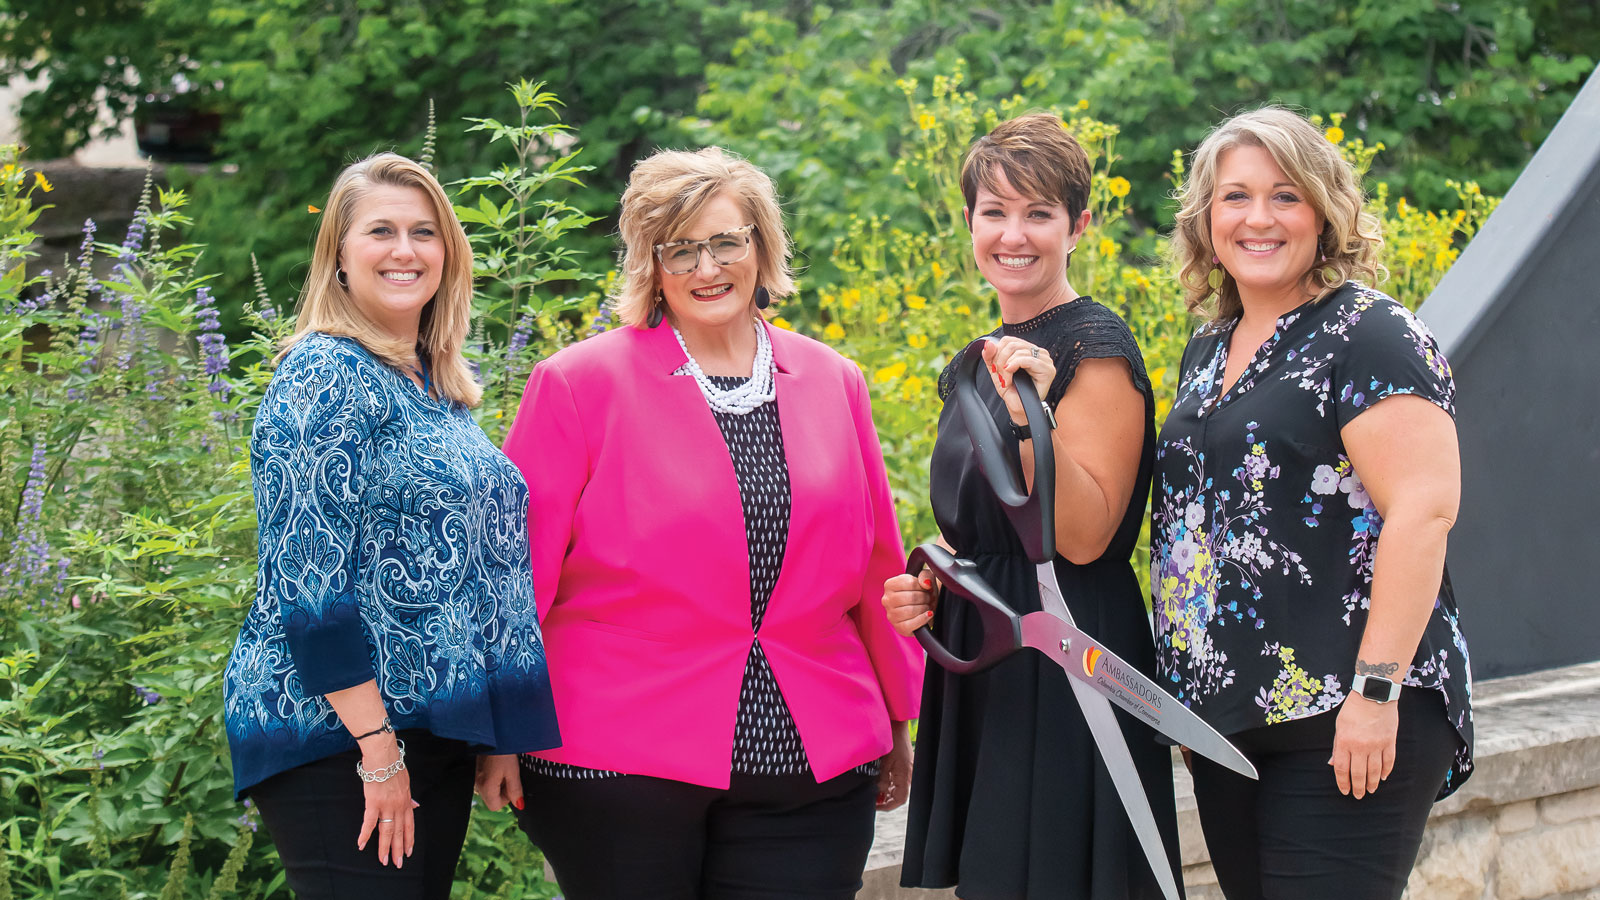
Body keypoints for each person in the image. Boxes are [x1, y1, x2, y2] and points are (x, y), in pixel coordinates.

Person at [488, 146, 923, 899]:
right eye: (679, 248)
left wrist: (898, 719)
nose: (706, 266)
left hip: (812, 758)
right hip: (616, 763)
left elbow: (876, 561)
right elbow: (512, 574)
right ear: (649, 264)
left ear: (761, 244)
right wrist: (495, 731)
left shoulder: (833, 380)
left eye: (726, 241)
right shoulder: (577, 384)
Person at [1151, 107, 1474, 899]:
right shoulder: (1207, 347)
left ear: (1325, 211)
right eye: (1235, 197)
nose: (1258, 218)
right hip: (1231, 724)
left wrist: (1374, 693)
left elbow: (1424, 508)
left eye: (1285, 196)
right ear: (1206, 217)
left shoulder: (1370, 332)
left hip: (1347, 711)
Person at [222, 152, 560, 899]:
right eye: (381, 231)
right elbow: (307, 584)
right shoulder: (322, 374)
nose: (406, 250)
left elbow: (487, 568)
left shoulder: (436, 385)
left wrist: (500, 731)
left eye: (424, 232)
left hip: (430, 731)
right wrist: (376, 749)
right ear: (339, 257)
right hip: (337, 737)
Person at [884, 112, 1182, 900]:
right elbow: (988, 525)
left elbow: (1082, 539)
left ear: (1078, 225)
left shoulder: (1096, 348)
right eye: (994, 212)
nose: (1013, 235)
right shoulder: (974, 359)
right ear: (971, 222)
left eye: (1039, 213)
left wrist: (1032, 418)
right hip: (990, 649)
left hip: (1069, 649)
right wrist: (940, 578)